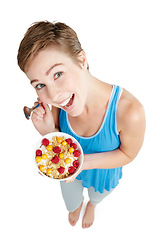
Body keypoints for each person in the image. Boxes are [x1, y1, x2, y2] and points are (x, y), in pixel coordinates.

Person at [17, 21, 146, 228]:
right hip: (70, 174)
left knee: (97, 196)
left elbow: (128, 154)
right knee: (70, 201)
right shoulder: (58, 108)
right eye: (40, 85)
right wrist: (50, 132)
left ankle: (92, 206)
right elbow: (63, 146)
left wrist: (81, 163)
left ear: (81, 60)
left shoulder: (131, 112)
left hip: (102, 174)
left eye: (58, 74)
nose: (53, 96)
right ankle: (76, 207)